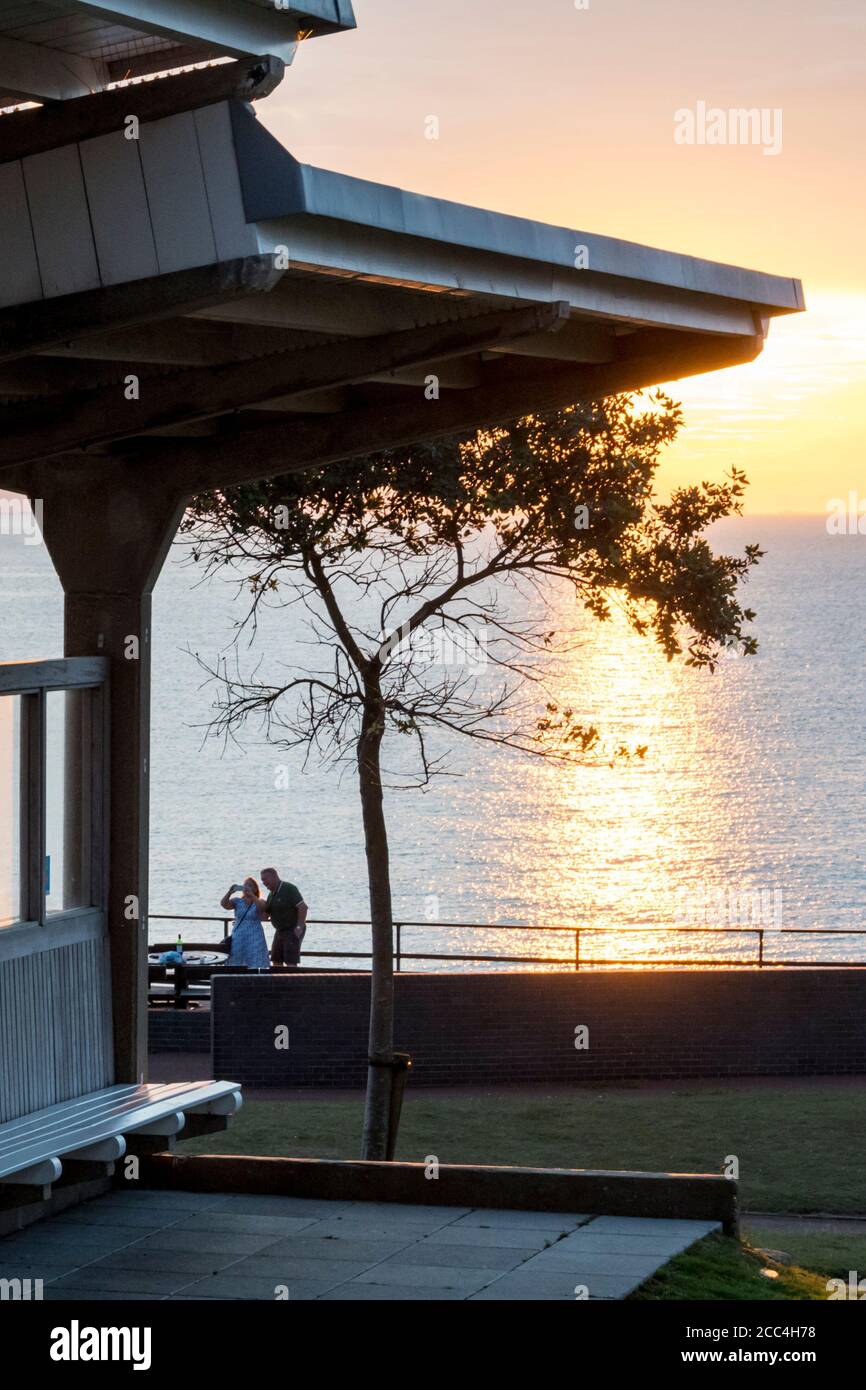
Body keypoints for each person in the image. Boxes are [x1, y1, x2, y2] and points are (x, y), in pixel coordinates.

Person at [260, 867, 308, 968]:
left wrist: (299, 926)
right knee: (276, 959)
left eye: (265, 879)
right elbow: (264, 916)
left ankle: (292, 982)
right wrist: (254, 900)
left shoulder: (289, 888)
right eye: (262, 880)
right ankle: (278, 982)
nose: (263, 882)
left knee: (290, 960)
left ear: (275, 877)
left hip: (292, 928)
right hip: (279, 930)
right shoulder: (271, 894)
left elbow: (303, 907)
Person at [219, 877, 270, 969]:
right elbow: (224, 904)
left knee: (255, 960)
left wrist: (252, 896)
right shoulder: (237, 901)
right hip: (239, 935)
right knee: (237, 959)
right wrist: (230, 892)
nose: (247, 887)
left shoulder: (260, 901)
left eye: (250, 885)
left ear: (255, 889)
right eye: (245, 885)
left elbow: (262, 909)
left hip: (255, 936)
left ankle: (255, 980)